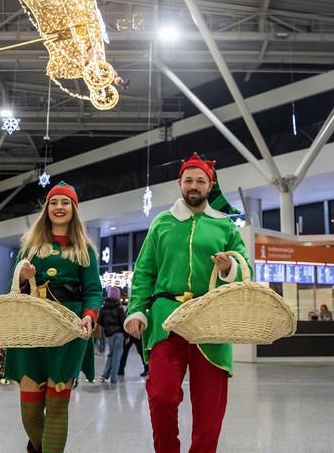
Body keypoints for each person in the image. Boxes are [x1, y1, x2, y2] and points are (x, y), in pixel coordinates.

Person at [125, 153, 251, 453]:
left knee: (210, 408)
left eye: (201, 181)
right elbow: (144, 271)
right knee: (162, 395)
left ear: (210, 185)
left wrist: (227, 269)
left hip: (212, 322)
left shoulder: (226, 227)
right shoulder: (162, 223)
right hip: (167, 320)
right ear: (180, 183)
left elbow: (246, 267)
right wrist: (136, 310)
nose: (194, 186)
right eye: (188, 180)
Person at [4, 181, 102, 453]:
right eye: (54, 203)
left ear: (74, 209)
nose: (59, 208)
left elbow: (93, 291)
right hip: (31, 329)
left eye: (65, 203)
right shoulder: (29, 246)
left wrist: (89, 316)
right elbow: (12, 288)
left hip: (68, 331)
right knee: (31, 411)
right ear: (47, 209)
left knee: (58, 406)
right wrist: (22, 279)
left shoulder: (85, 250)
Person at [98, 286, 125, 384]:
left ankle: (105, 375)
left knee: (110, 354)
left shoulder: (104, 307)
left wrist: (106, 326)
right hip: (119, 334)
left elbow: (99, 321)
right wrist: (128, 336)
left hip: (108, 334)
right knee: (117, 355)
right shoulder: (119, 307)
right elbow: (123, 322)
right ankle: (113, 378)